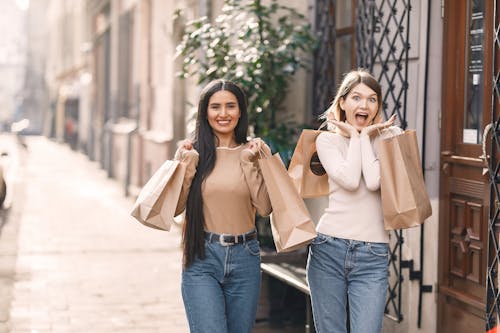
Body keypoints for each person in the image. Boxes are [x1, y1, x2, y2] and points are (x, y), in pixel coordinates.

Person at [174, 79, 272, 333]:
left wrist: (250, 162)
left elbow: (264, 208)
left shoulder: (253, 151)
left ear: (241, 111)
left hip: (245, 258)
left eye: (231, 106)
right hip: (201, 258)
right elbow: (175, 207)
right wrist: (186, 166)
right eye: (216, 107)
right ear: (205, 112)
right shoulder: (192, 152)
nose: (223, 113)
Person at [306, 69, 400, 333]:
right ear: (343, 102)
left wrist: (363, 137)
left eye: (372, 99)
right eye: (356, 98)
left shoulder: (389, 138)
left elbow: (372, 181)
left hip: (373, 254)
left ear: (378, 106)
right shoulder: (327, 140)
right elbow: (348, 179)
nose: (364, 105)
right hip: (328, 248)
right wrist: (359, 138)